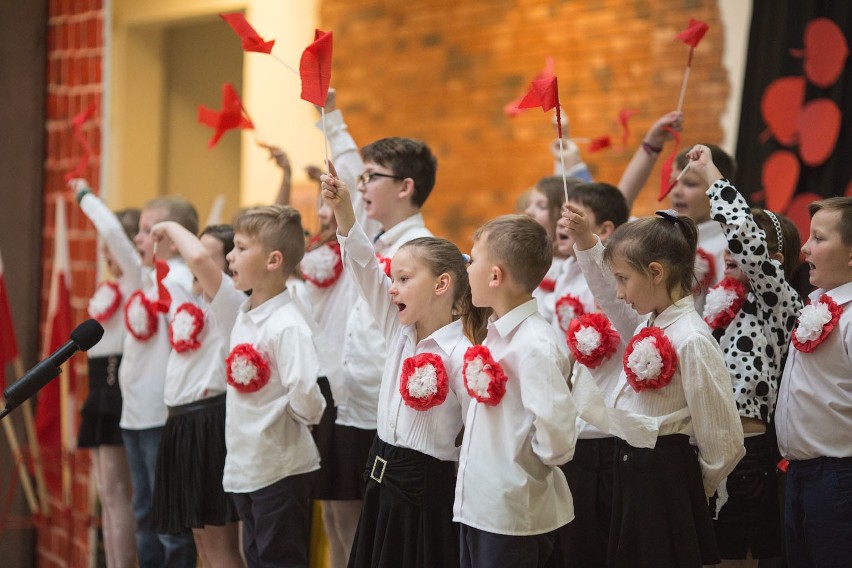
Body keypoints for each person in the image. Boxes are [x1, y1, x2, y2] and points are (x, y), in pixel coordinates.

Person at [321, 168, 488, 567]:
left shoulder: (462, 354)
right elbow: (363, 267)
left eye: (404, 278)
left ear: (442, 285)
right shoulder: (398, 331)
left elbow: (476, 439)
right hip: (380, 476)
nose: (391, 287)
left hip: (427, 487)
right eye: (392, 278)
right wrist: (345, 211)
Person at [566, 203, 745, 567]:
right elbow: (606, 292)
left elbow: (723, 439)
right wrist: (587, 243)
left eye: (623, 280)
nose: (617, 293)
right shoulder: (650, 321)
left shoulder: (692, 339)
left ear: (656, 273)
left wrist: (692, 493)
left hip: (665, 479)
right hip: (634, 469)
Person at [316, 92, 442, 567]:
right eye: (363, 176)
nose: (362, 184)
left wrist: (335, 122)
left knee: (366, 535)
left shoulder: (424, 250)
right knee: (335, 519)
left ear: (406, 186)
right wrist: (329, 117)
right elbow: (345, 175)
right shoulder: (377, 239)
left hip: (381, 407)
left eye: (373, 177)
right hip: (347, 397)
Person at [685, 144, 803, 567]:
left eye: (745, 243)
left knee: (735, 557)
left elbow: (746, 242)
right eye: (730, 244)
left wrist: (714, 177)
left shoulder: (779, 302)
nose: (732, 250)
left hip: (748, 452)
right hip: (708, 447)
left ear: (774, 260)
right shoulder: (721, 302)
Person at [72, 182, 198, 567]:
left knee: (168, 519)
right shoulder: (143, 279)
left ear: (175, 240)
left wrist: (84, 197)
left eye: (148, 231)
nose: (139, 239)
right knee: (143, 511)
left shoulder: (178, 280)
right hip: (134, 413)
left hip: (163, 414)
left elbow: (113, 233)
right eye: (140, 230)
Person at [456, 214, 578, 568]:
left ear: (495, 276)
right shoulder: (497, 336)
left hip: (512, 514)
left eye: (473, 259)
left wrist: (519, 465)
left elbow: (557, 440)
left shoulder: (534, 344)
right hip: (479, 508)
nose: (467, 268)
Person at [223, 204, 326, 567]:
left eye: (240, 247)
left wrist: (297, 420)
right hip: (247, 464)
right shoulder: (246, 313)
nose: (230, 256)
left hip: (279, 468)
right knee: (255, 555)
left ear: (273, 260)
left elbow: (306, 393)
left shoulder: (286, 324)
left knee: (279, 558)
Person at [149, 221, 245, 567]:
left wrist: (171, 226)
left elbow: (200, 259)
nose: (193, 261)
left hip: (210, 421)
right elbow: (173, 264)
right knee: (202, 543)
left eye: (206, 254)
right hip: (182, 423)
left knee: (221, 547)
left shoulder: (231, 301)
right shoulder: (188, 299)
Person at [550, 182, 629, 568]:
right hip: (574, 426)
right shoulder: (561, 273)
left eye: (575, 216)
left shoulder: (615, 284)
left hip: (608, 431)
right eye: (561, 214)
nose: (562, 222)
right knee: (572, 543)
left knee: (600, 544)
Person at [774, 196, 852, 568]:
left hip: (839, 477)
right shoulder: (817, 303)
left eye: (819, 239)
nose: (805, 248)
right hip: (801, 474)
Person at [72, 179, 138, 568]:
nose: (106, 254)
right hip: (99, 391)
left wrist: (87, 198)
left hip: (117, 393)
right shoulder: (110, 289)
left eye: (112, 249)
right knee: (106, 494)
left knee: (117, 494)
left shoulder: (134, 283)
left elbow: (113, 232)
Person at [525, 176, 584, 324]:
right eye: (529, 204)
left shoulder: (567, 266)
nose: (529, 211)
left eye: (541, 206)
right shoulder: (531, 257)